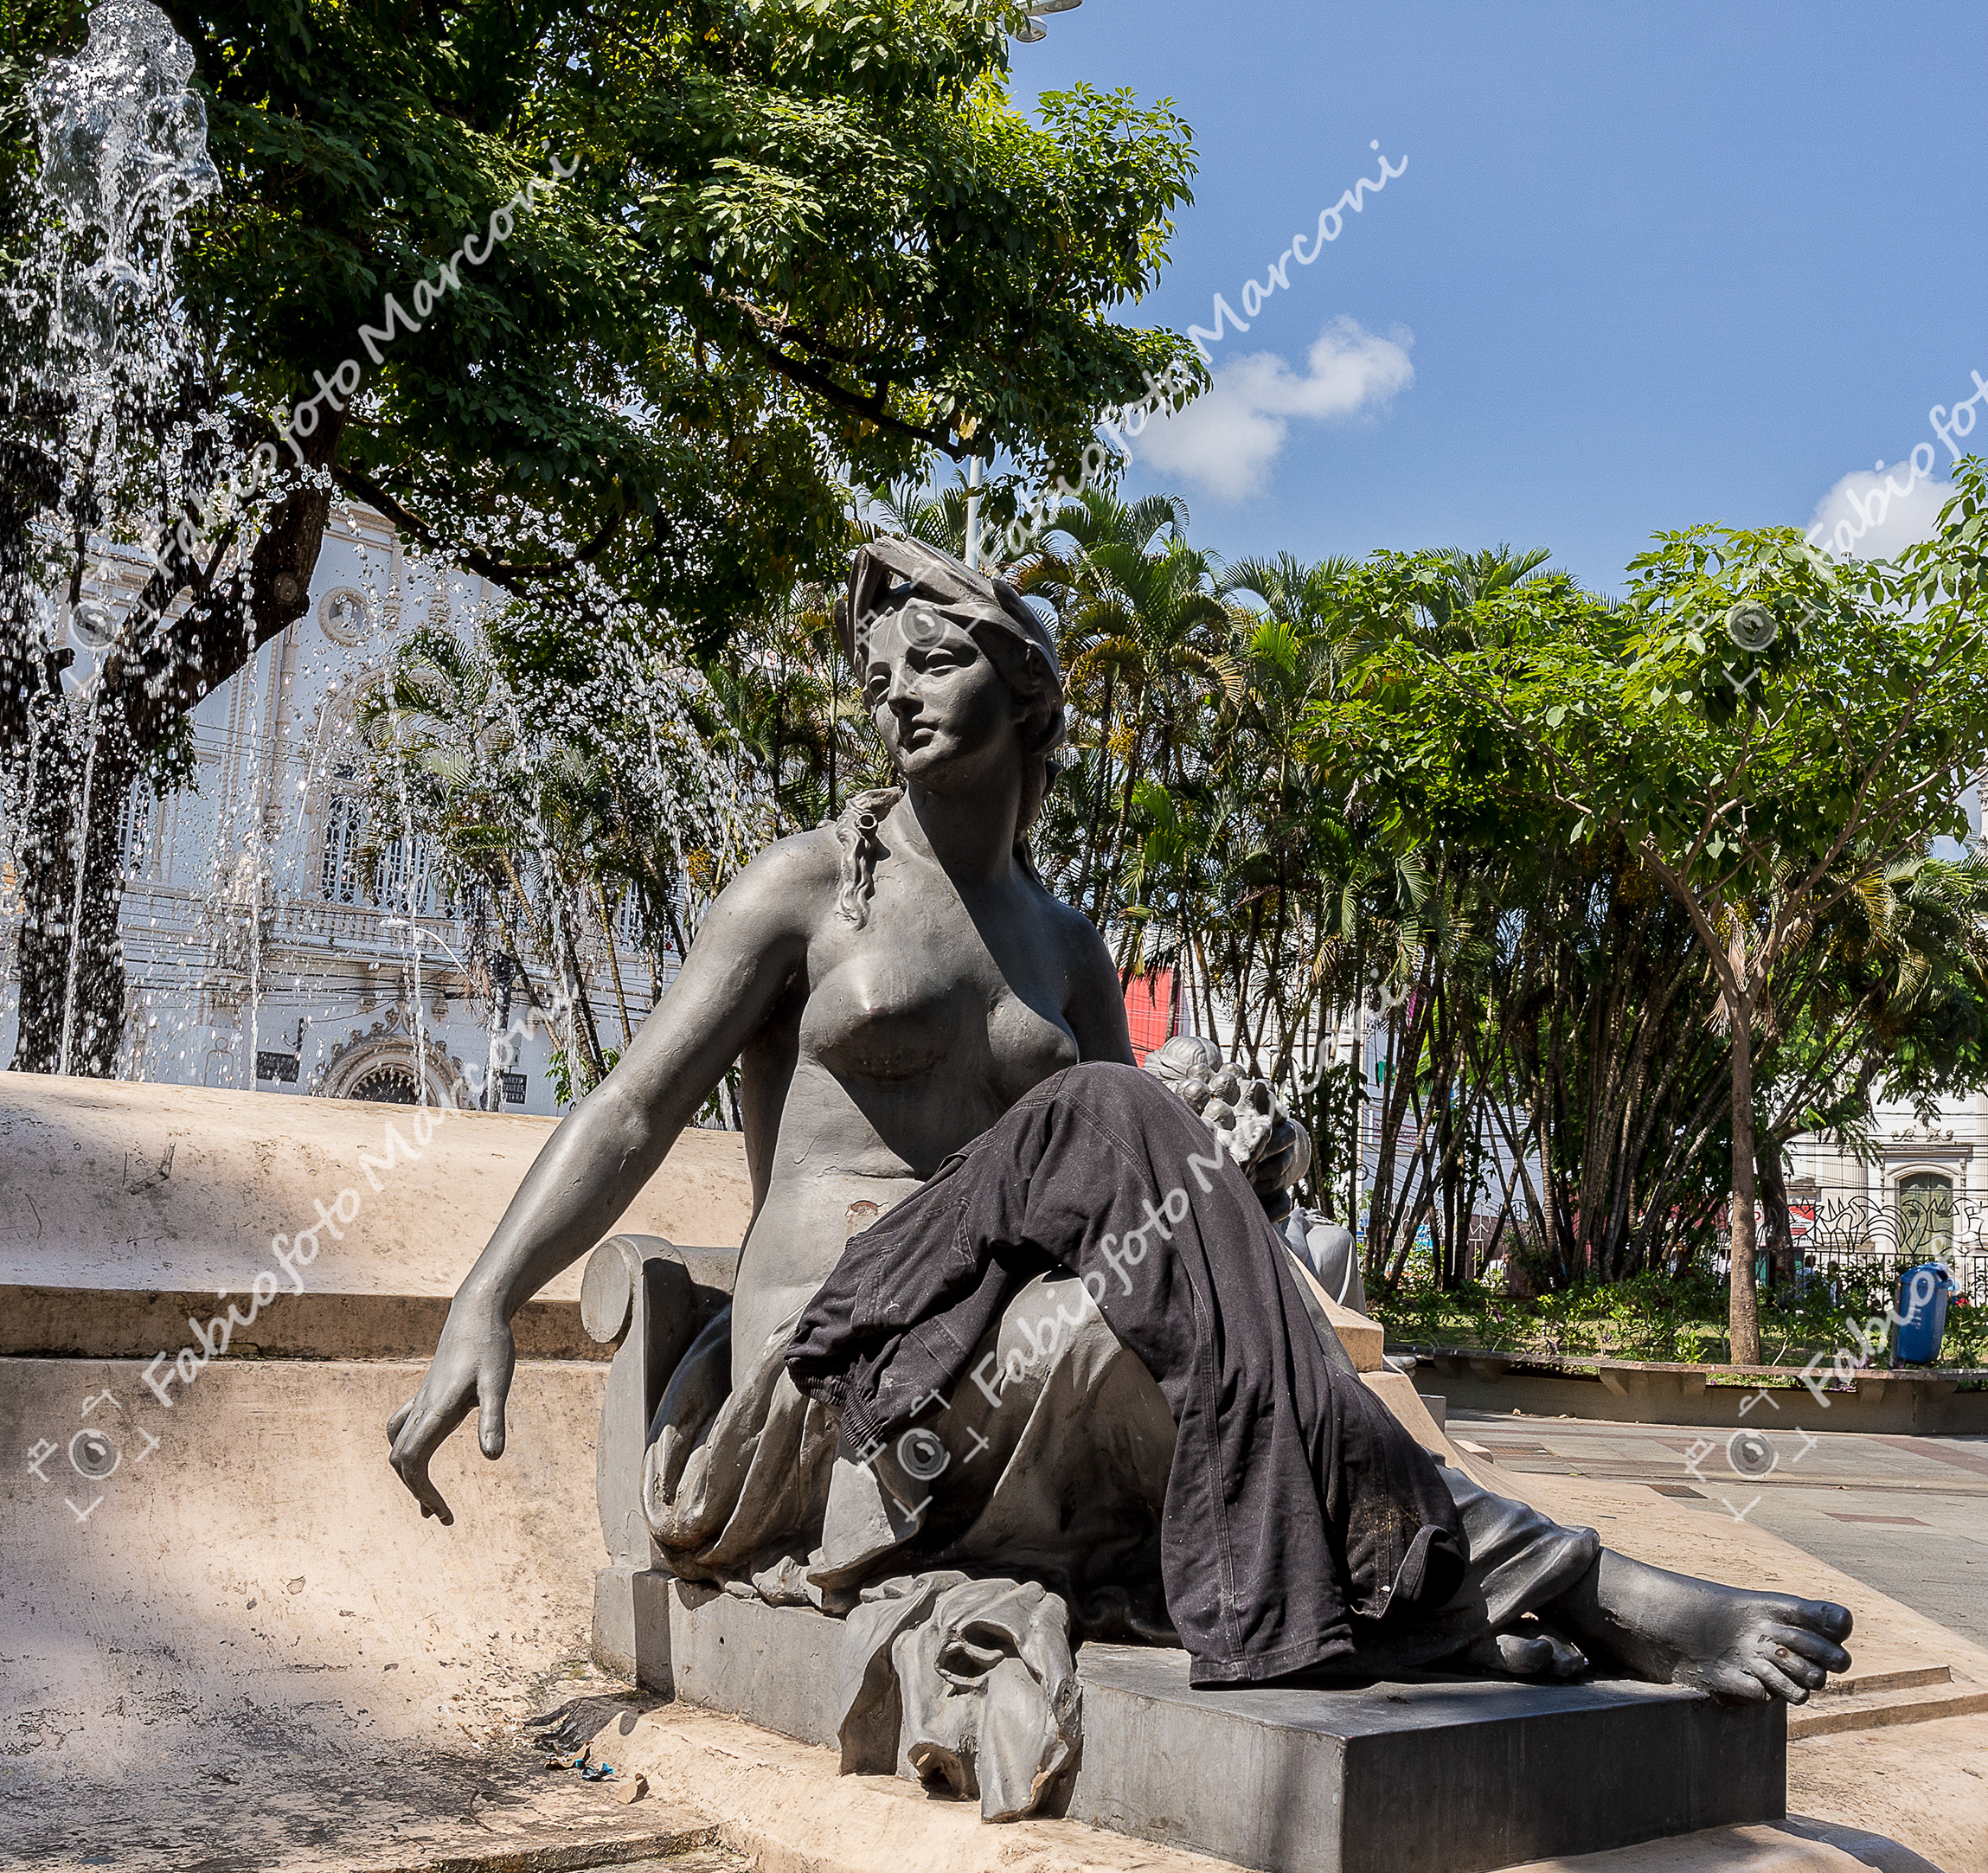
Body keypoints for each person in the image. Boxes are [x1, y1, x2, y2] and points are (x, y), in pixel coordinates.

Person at [383, 535, 1852, 1709]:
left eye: (935, 661)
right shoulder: (811, 888)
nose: (894, 697)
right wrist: (483, 1298)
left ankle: (1467, 1596)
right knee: (1113, 1109)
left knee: (1185, 1326)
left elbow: (1156, 1215)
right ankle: (1594, 1593)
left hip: (1003, 1347)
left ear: (1024, 692)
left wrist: (1251, 1284)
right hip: (839, 1375)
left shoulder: (1069, 948)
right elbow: (634, 1102)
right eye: (881, 674)